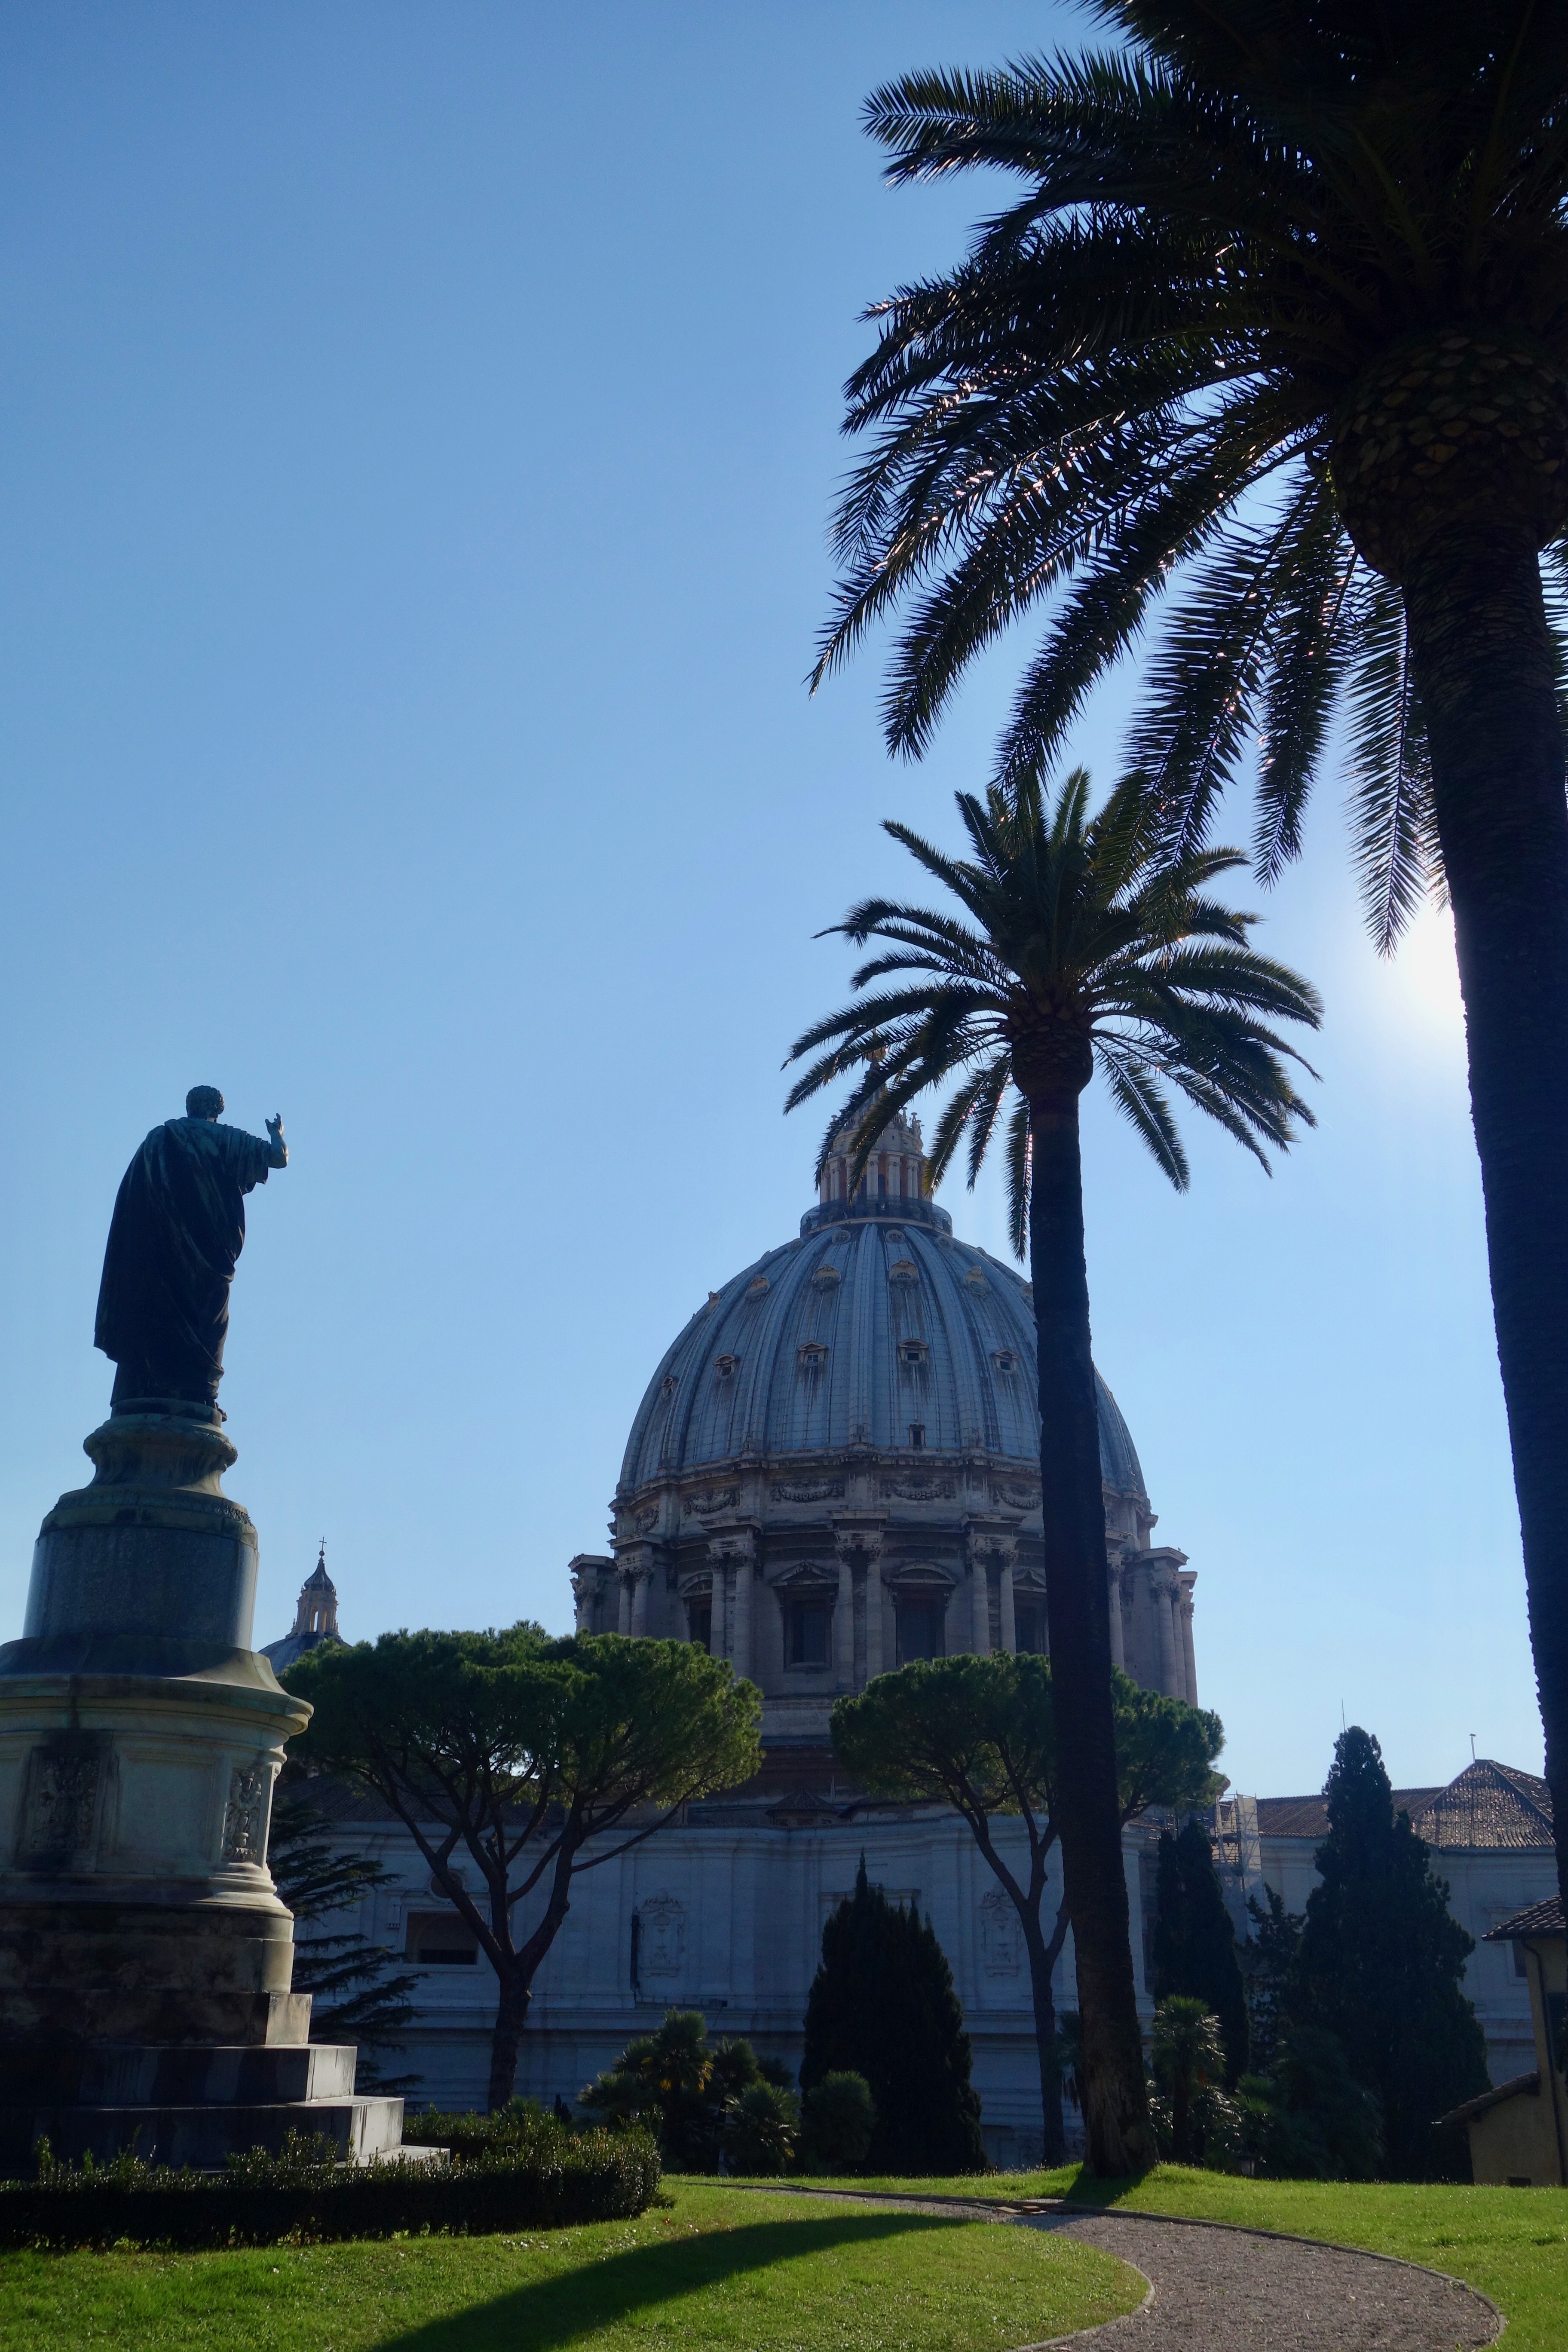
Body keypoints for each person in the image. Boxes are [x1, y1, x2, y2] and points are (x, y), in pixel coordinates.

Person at [94, 1085, 287, 1416]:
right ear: (217, 1110)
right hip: (211, 1255)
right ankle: (200, 1393)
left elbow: (131, 1201)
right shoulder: (227, 1138)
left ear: (189, 1107)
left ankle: (145, 1386)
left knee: (154, 1313)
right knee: (208, 1321)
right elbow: (278, 1159)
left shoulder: (159, 1139)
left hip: (158, 1251)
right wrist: (277, 1134)